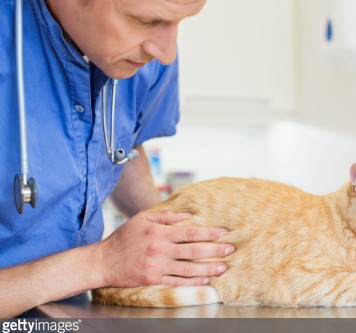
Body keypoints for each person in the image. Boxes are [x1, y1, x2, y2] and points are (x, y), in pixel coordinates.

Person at [0, 0, 235, 318]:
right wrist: (103, 263)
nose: (166, 53)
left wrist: (170, 237)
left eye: (180, 22)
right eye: (146, 21)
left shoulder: (145, 57)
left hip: (71, 309)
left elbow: (118, 145)